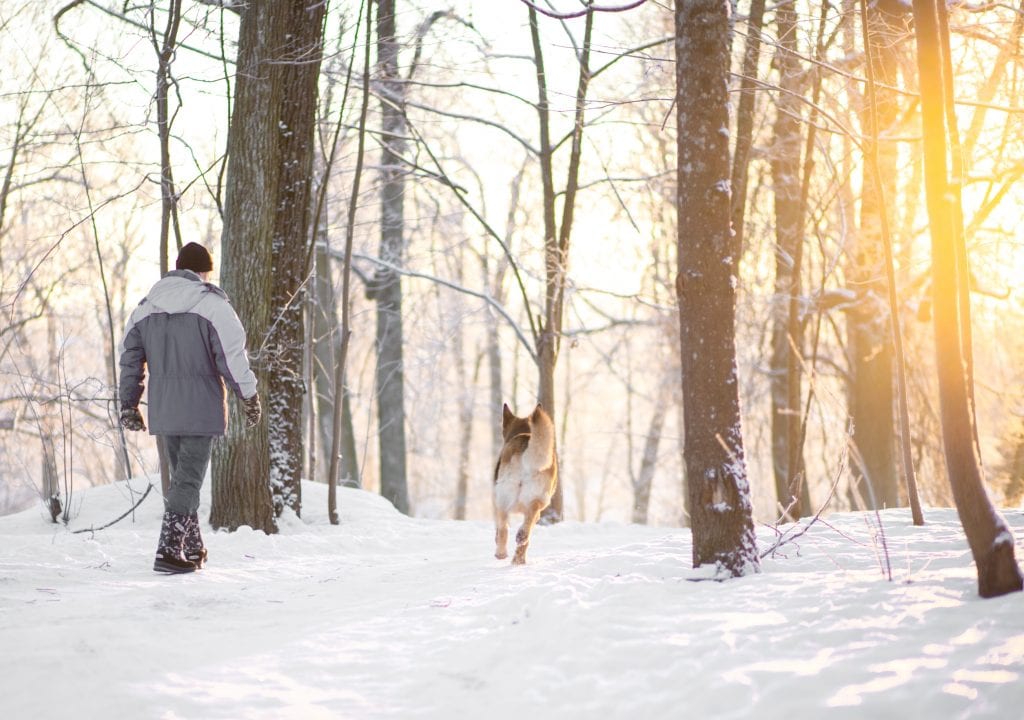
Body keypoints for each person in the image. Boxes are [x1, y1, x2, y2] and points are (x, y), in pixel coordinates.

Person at [118, 242, 261, 574]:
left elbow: (130, 359)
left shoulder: (145, 308)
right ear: (203, 272)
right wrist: (249, 396)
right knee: (188, 481)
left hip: (165, 409)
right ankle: (168, 551)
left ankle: (192, 546)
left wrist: (128, 403)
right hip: (200, 409)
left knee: (183, 479)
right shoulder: (213, 306)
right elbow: (232, 358)